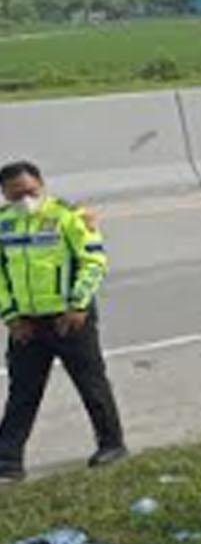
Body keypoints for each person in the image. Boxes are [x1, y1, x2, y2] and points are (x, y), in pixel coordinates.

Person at [0, 160, 127, 481]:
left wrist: (78, 305)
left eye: (30, 191)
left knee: (91, 384)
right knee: (22, 392)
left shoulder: (68, 216)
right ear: (4, 195)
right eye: (15, 195)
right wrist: (11, 316)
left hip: (69, 319)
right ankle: (8, 462)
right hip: (26, 324)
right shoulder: (4, 224)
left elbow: (93, 261)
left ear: (41, 184)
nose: (25, 199)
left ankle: (112, 445)